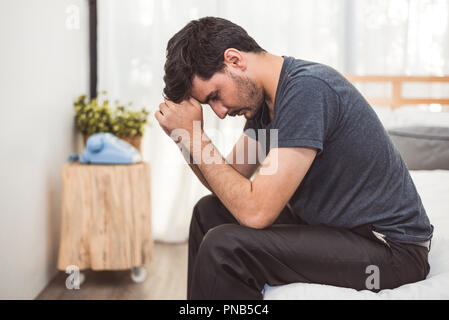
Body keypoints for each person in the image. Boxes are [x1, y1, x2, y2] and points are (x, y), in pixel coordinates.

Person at [154, 16, 433, 300]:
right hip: (335, 230)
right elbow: (229, 182)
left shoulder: (307, 90)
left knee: (224, 246)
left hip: (390, 253)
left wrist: (194, 137)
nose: (220, 111)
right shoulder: (263, 107)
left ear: (235, 60)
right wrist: (186, 136)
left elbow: (255, 213)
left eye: (215, 95)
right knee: (208, 212)